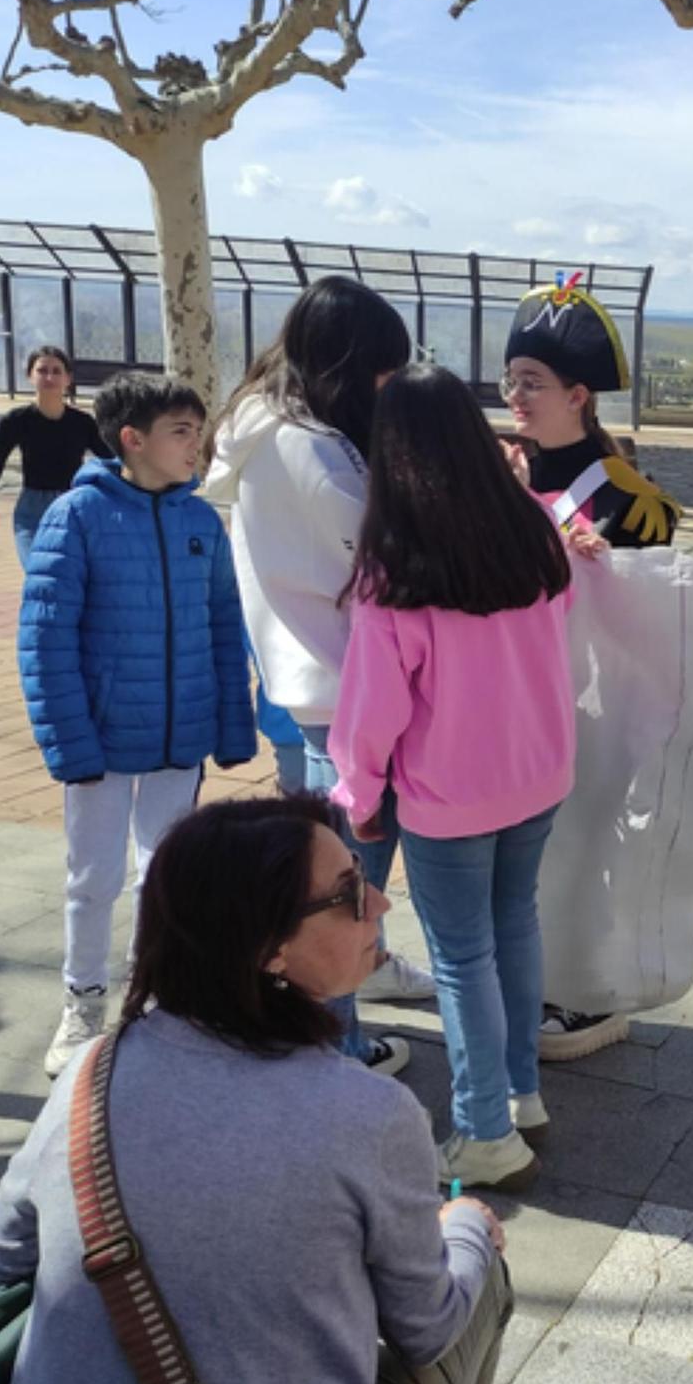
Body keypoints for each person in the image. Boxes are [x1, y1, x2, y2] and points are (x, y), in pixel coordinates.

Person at [0, 795, 513, 1384]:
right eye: (348, 893)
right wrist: (470, 1231)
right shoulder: (370, 1113)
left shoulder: (89, 1073)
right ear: (267, 948)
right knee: (479, 1270)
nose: (380, 903)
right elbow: (426, 1326)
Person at [331, 367, 586, 1192]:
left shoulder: (397, 566)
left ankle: (484, 1129)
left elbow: (372, 710)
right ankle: (522, 1090)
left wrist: (360, 796)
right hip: (537, 774)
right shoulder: (535, 531)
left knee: (463, 953)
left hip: (447, 793)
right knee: (515, 924)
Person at [207, 276, 437, 1073]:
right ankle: (336, 1049)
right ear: (346, 363)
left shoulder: (262, 423)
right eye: (383, 370)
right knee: (345, 892)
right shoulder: (304, 443)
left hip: (308, 683)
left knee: (328, 878)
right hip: (345, 689)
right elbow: (382, 542)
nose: (389, 387)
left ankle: (331, 1028)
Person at [18, 373, 257, 1078]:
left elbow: (223, 627)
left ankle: (151, 996)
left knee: (166, 874)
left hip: (178, 743)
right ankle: (83, 999)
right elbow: (45, 638)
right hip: (99, 741)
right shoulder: (77, 516)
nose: (197, 445)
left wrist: (231, 723)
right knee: (92, 876)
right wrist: (67, 740)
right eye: (182, 431)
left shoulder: (200, 521)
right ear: (133, 439)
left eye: (197, 429)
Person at [499, 274, 687, 1062]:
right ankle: (536, 978)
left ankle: (584, 992)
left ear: (579, 394)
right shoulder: (501, 476)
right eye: (510, 380)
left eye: (532, 382)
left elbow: (657, 613)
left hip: (597, 710)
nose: (515, 394)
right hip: (517, 700)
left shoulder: (628, 499)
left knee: (586, 851)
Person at [0, 346, 108, 570]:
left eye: (56, 371)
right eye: (42, 370)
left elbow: (112, 461)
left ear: (68, 378)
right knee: (38, 570)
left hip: (72, 508)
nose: (49, 377)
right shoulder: (16, 420)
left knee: (69, 574)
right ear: (30, 376)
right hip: (31, 511)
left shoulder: (82, 423)